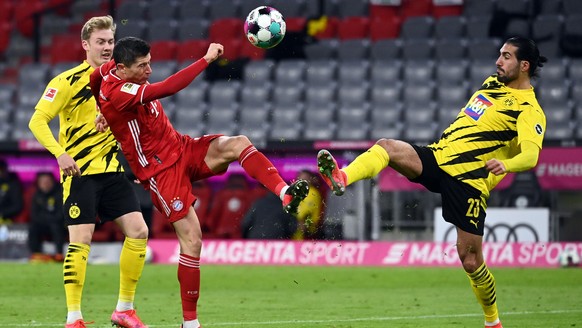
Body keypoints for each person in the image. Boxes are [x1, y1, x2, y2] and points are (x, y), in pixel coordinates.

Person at [316, 37, 547, 328]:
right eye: (500, 55)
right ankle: (342, 176)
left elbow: (530, 156)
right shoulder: (492, 84)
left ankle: (493, 321)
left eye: (507, 57)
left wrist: (506, 164)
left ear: (524, 65)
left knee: (471, 261)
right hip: (439, 157)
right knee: (387, 146)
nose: (498, 61)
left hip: (470, 180)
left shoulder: (529, 110)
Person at [89, 37, 309, 328]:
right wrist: (205, 60)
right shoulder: (118, 93)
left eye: (150, 62)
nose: (149, 70)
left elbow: (94, 78)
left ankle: (284, 193)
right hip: (159, 171)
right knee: (192, 241)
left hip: (181, 147)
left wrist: (100, 112)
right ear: (122, 68)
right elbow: (167, 88)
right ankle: (190, 323)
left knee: (238, 143)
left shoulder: (105, 72)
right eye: (142, 66)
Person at [28, 16, 149, 328]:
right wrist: (60, 153)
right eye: (101, 42)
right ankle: (74, 318)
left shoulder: (123, 81)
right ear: (85, 45)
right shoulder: (66, 82)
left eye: (110, 42)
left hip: (112, 171)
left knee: (139, 231)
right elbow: (37, 121)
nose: (107, 47)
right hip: (80, 173)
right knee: (81, 241)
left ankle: (124, 308)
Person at [28, 171, 65, 262]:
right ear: (39, 183)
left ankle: (59, 254)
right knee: (33, 228)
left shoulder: (60, 193)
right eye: (42, 182)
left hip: (59, 224)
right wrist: (46, 219)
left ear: (52, 182)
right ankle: (36, 254)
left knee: (56, 226)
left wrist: (49, 219)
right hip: (43, 223)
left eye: (47, 181)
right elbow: (34, 214)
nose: (45, 184)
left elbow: (62, 213)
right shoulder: (37, 195)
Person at [292, 169, 324, 240]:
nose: (302, 181)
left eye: (305, 179)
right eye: (300, 179)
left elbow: (303, 213)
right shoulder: (297, 193)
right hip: (296, 231)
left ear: (311, 180)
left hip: (307, 230)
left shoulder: (312, 193)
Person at [0, 158, 24, 224]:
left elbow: (17, 206)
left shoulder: (13, 185)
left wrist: (2, 213)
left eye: (1, 170)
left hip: (7, 219)